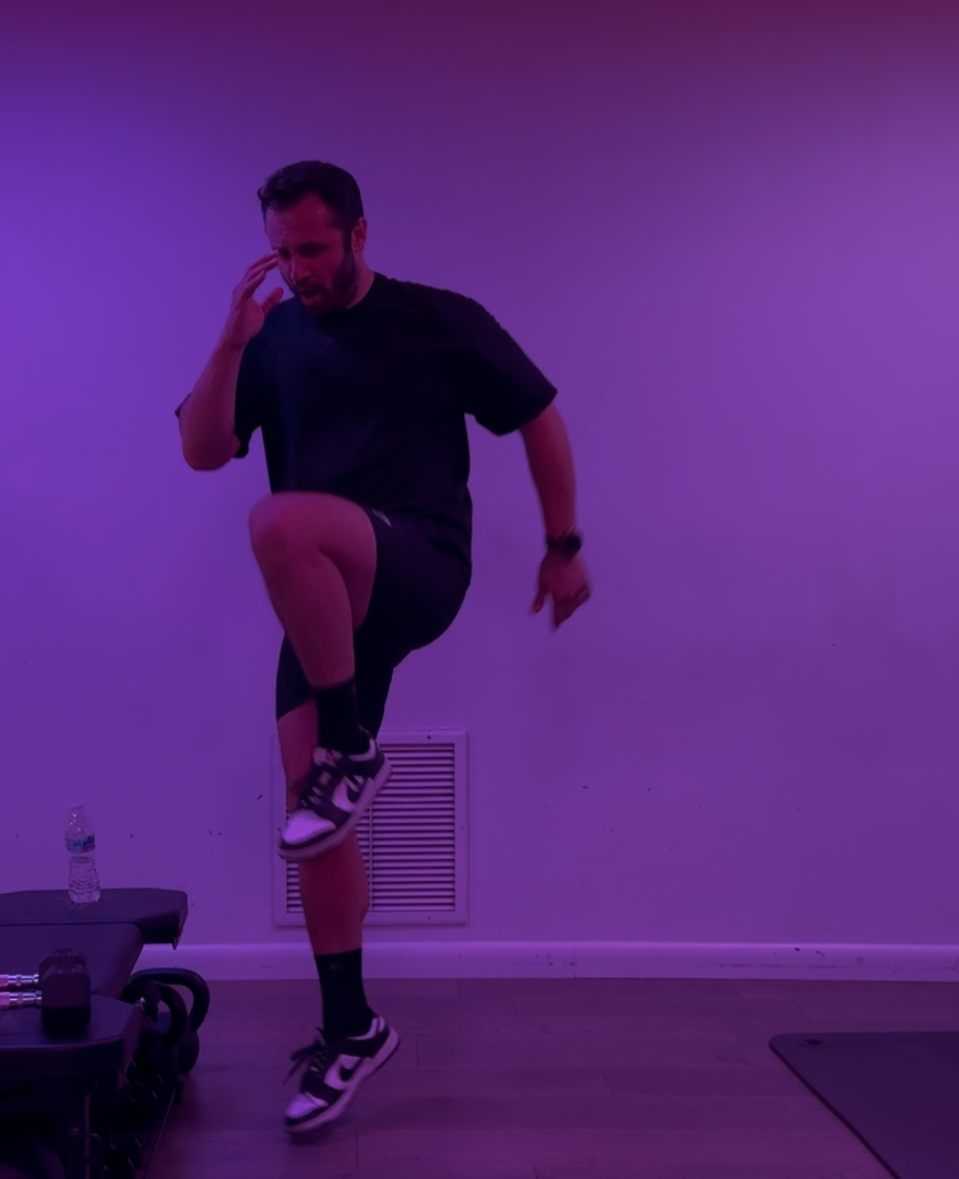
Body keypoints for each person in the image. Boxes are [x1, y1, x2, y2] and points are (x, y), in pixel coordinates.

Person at [176, 160, 590, 1135]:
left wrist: (563, 547)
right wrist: (231, 344)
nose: (298, 267)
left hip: (417, 562)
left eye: (313, 248)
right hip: (324, 612)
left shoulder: (437, 319)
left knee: (280, 523)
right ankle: (350, 1027)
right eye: (282, 250)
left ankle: (351, 748)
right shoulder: (272, 336)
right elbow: (200, 449)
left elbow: (539, 416)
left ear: (361, 234)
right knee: (311, 828)